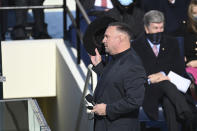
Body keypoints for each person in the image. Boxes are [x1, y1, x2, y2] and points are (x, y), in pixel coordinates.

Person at [132, 10, 195, 131]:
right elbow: (135, 72)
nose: (159, 31)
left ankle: (185, 114)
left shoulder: (172, 42)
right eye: (155, 28)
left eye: (161, 27)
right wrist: (153, 79)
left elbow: (179, 68)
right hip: (148, 88)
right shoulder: (136, 46)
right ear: (146, 28)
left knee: (168, 102)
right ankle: (188, 113)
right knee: (165, 84)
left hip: (170, 87)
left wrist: (162, 75)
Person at [89, 22, 146, 131]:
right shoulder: (116, 58)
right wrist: (99, 67)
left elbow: (134, 100)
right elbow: (115, 81)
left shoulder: (133, 64)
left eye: (107, 37)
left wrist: (107, 109)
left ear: (120, 38)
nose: (103, 40)